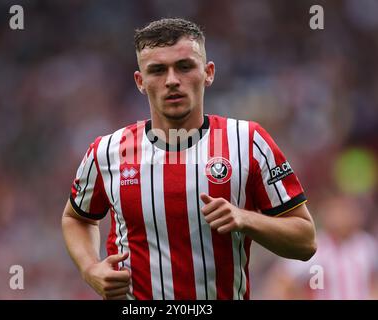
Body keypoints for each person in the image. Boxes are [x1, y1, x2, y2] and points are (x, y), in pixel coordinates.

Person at [61, 18, 317, 300]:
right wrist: (89, 268)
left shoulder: (248, 141)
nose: (172, 80)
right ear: (140, 81)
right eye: (157, 70)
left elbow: (305, 241)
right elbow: (77, 218)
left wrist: (246, 218)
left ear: (208, 73)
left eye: (184, 67)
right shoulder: (107, 151)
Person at [261, 195, 378, 300]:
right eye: (337, 212)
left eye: (346, 212)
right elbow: (282, 279)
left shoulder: (366, 244)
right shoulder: (314, 246)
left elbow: (372, 280)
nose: (342, 218)